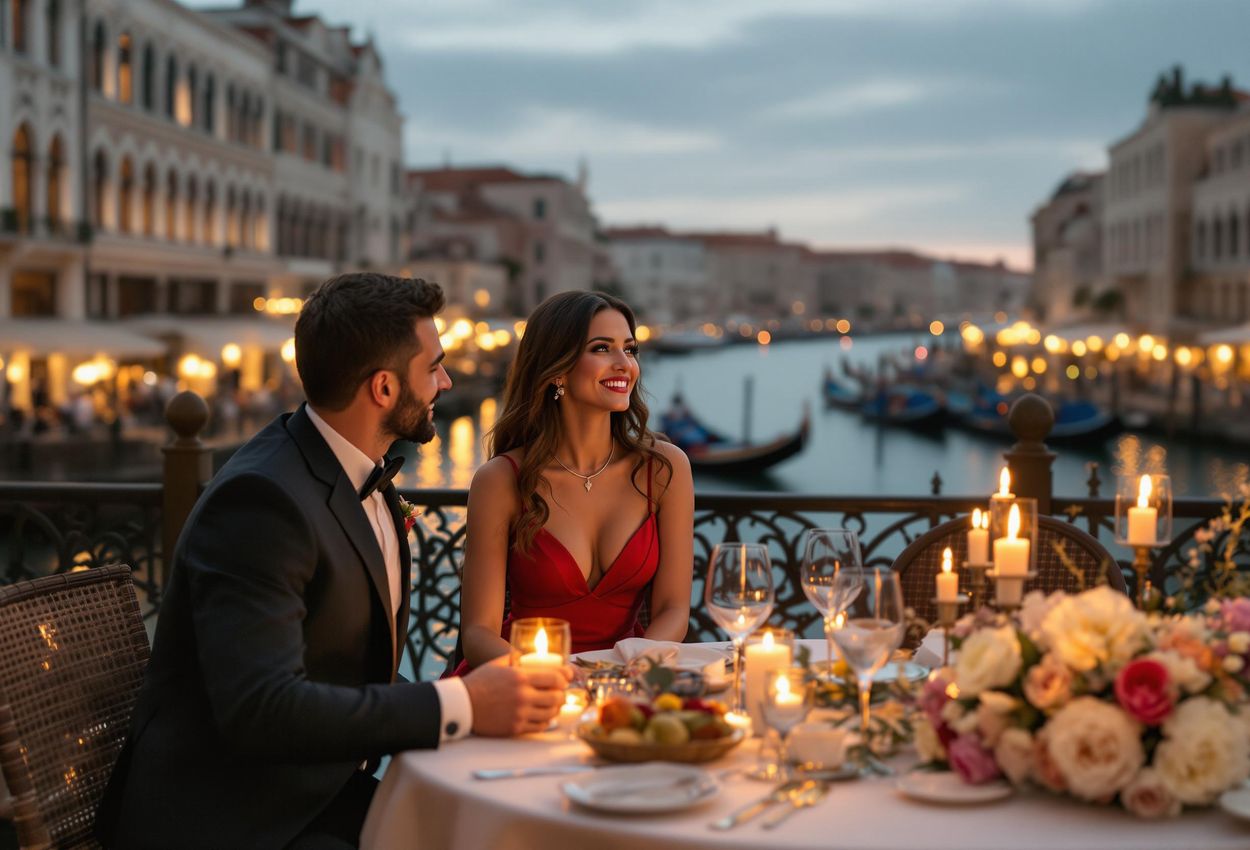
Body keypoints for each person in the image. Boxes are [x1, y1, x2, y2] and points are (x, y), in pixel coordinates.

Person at [98, 273, 570, 850]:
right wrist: (460, 704)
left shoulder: (345, 467)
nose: (447, 381)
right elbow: (261, 710)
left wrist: (477, 701)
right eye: (434, 367)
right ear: (383, 390)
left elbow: (346, 667)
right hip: (235, 817)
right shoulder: (261, 503)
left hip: (315, 790)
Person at [457, 291, 694, 670]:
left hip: (627, 677)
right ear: (557, 369)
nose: (624, 365)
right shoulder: (501, 480)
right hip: (522, 680)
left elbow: (673, 609)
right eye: (602, 349)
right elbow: (478, 635)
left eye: (630, 350)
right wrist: (557, 679)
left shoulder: (665, 469)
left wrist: (631, 670)